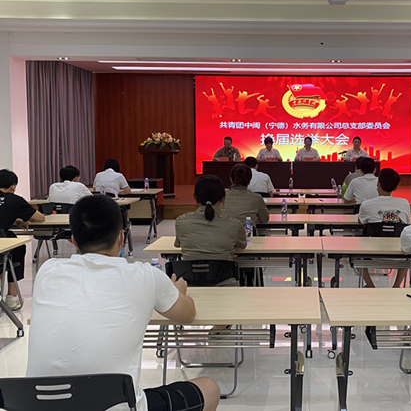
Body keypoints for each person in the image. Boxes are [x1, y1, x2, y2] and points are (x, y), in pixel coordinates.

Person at [26, 194, 220, 411]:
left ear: (74, 241)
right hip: (114, 405)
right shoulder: (145, 276)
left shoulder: (47, 271)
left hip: (35, 405)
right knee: (209, 389)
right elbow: (187, 315)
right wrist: (177, 293)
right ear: (121, 237)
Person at [175, 175, 246, 286]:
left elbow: (178, 244)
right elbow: (242, 245)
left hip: (189, 286)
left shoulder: (181, 222)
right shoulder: (234, 224)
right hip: (224, 285)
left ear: (195, 197)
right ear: (223, 198)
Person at [358, 168, 411, 288]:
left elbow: (360, 222)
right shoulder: (404, 203)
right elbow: (407, 224)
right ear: (395, 187)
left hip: (372, 254)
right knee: (405, 247)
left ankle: (371, 286)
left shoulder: (367, 204)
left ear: (378, 183)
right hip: (399, 255)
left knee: (355, 256)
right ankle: (396, 286)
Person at [0, 169, 45, 309]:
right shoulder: (15, 200)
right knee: (18, 248)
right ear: (13, 186)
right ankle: (11, 296)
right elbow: (40, 218)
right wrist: (19, 217)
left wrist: (15, 219)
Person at [221, 164, 269, 286]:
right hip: (248, 241)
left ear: (231, 179)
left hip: (224, 245)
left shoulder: (221, 197)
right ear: (249, 180)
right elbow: (265, 219)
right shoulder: (256, 198)